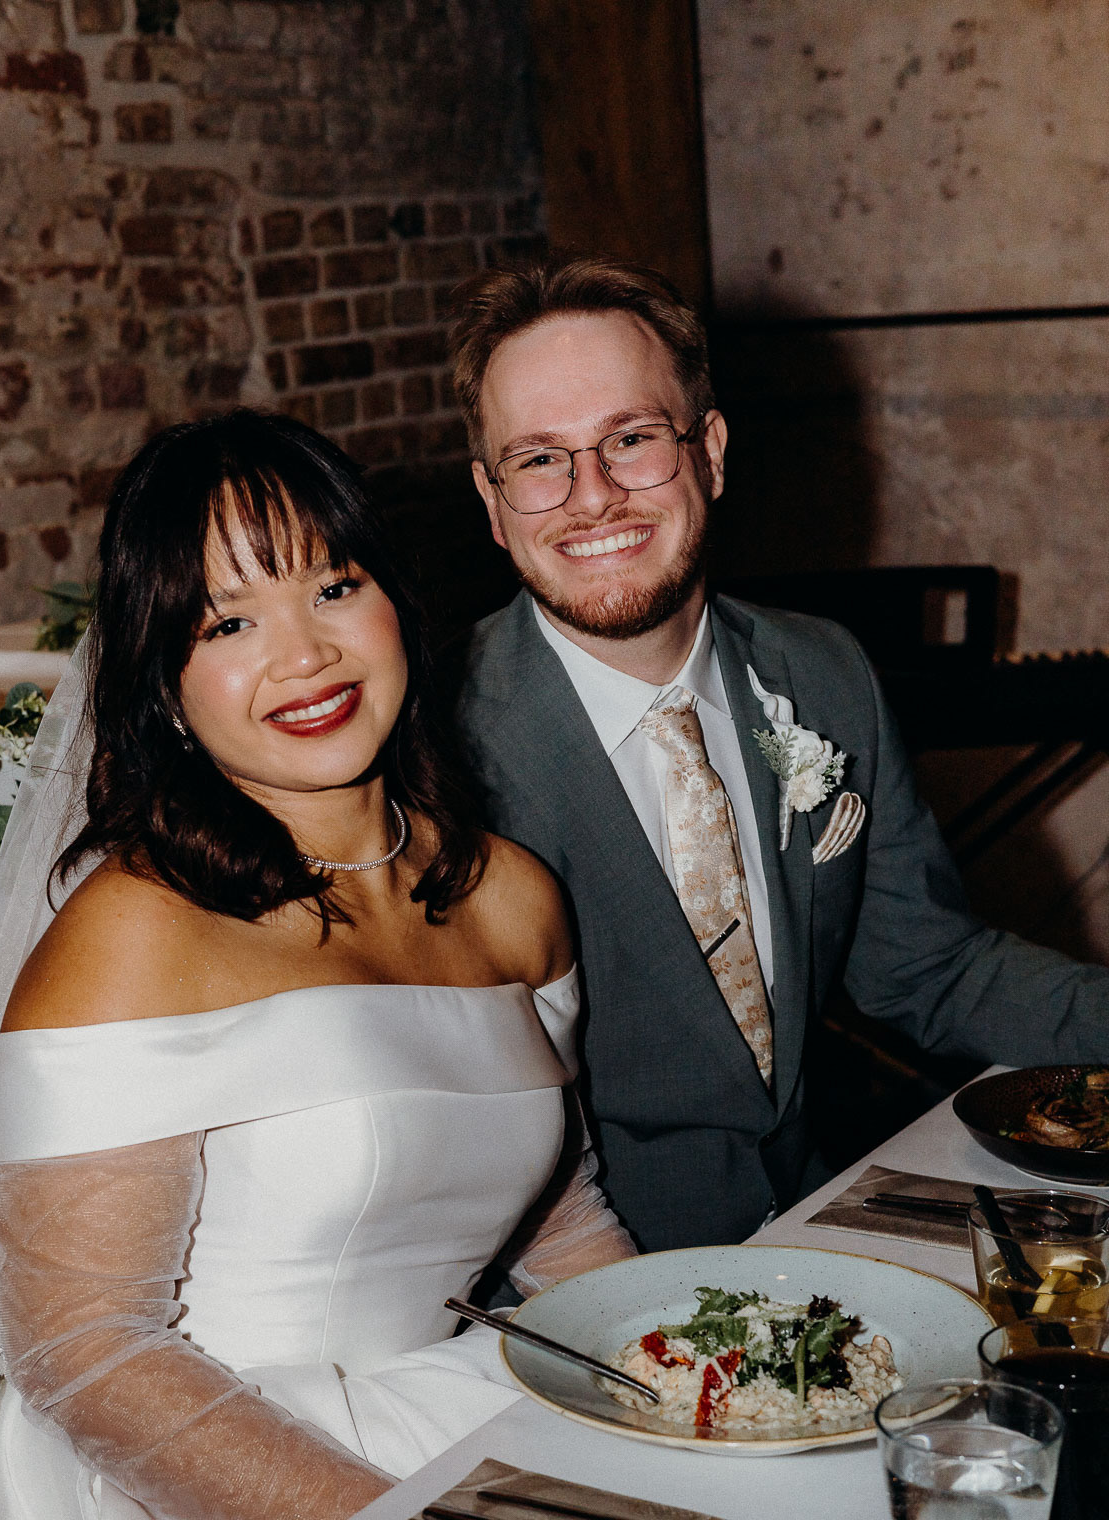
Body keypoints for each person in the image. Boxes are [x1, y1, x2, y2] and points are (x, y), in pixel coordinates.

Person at [0, 409, 634, 1520]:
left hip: (466, 1413)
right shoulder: (134, 933)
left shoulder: (512, 893)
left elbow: (562, 1227)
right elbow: (82, 1349)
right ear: (166, 682)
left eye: (332, 586)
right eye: (226, 621)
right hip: (196, 1492)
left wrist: (693, 1382)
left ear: (394, 604)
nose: (301, 654)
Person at [450, 255, 1109, 1251]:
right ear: (492, 502)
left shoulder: (822, 671)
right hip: (581, 1286)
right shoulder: (432, 748)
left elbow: (929, 967)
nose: (592, 495)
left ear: (709, 451)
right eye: (540, 459)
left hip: (817, 1228)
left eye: (632, 439)